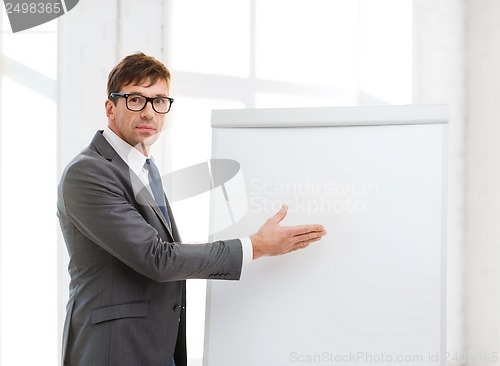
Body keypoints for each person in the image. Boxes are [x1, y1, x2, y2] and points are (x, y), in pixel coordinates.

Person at [57, 52, 327, 366]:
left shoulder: (144, 166)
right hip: (114, 348)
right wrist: (256, 246)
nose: (149, 112)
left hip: (156, 344)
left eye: (159, 101)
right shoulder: (89, 172)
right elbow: (156, 258)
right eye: (136, 100)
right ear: (110, 107)